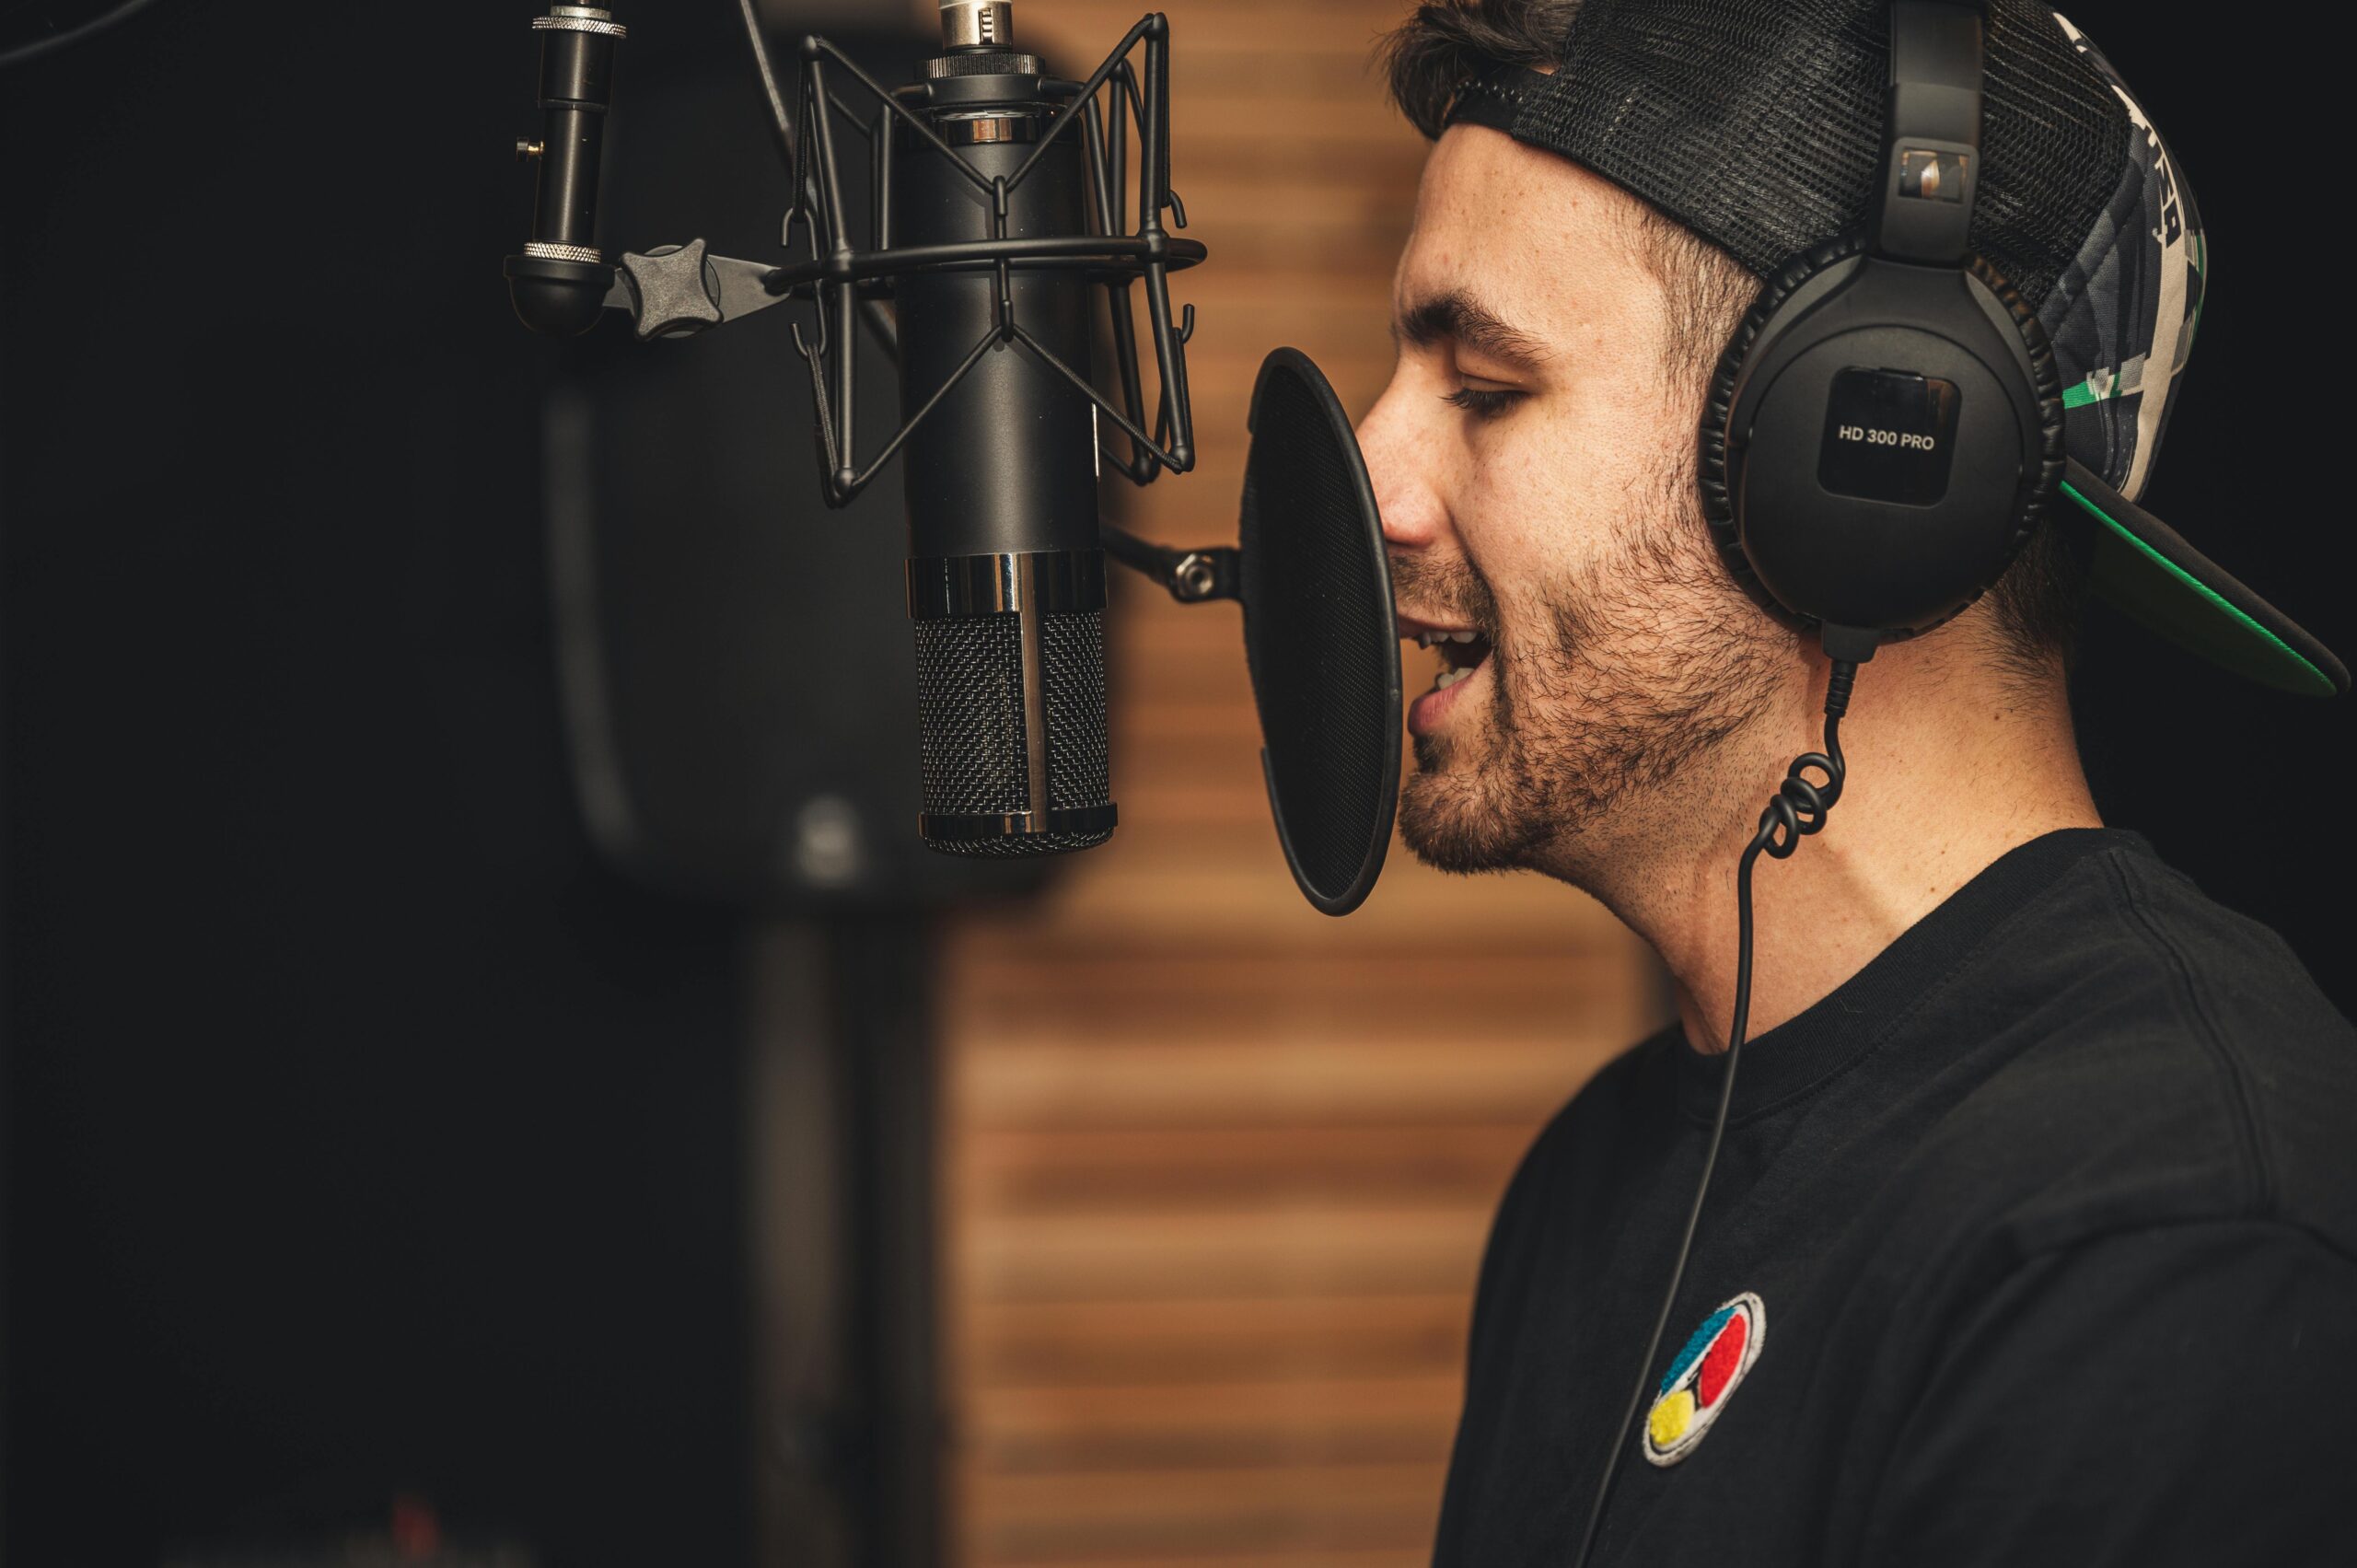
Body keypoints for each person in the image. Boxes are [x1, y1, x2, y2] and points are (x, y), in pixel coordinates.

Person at [1355, 1, 2357, 1562]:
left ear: (1861, 458)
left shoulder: (2164, 1246)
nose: (1374, 478)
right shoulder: (1590, 1187)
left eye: (1483, 386)